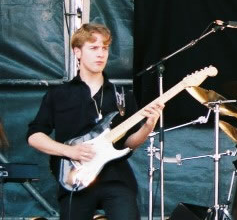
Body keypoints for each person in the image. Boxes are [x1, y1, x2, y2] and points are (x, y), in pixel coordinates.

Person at [27, 23, 163, 220]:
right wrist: (69, 151)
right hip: (76, 178)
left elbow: (129, 143)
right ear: (77, 52)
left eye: (104, 48)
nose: (101, 54)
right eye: (93, 48)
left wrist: (148, 126)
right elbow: (34, 136)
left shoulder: (122, 96)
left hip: (115, 178)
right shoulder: (59, 95)